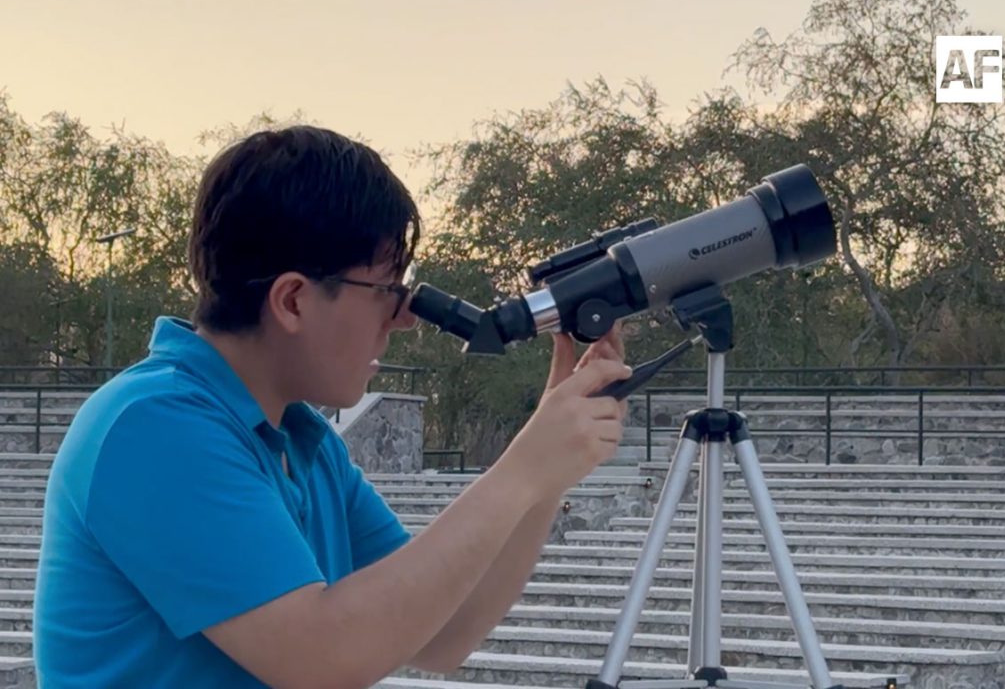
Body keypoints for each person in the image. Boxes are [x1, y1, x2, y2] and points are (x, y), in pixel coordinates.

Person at [33, 125, 632, 688]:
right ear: (293, 301)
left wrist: (548, 471)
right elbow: (319, 659)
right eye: (386, 292)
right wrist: (523, 469)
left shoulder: (304, 443)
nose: (402, 320)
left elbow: (445, 633)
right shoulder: (153, 426)